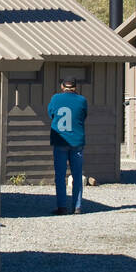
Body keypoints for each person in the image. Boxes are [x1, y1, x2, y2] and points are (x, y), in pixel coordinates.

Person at [48, 77, 88, 214]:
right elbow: (83, 115)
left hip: (60, 141)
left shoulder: (55, 98)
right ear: (75, 87)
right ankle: (77, 206)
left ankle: (62, 206)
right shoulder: (82, 100)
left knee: (60, 175)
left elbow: (51, 114)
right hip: (76, 141)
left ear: (62, 86)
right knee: (77, 175)